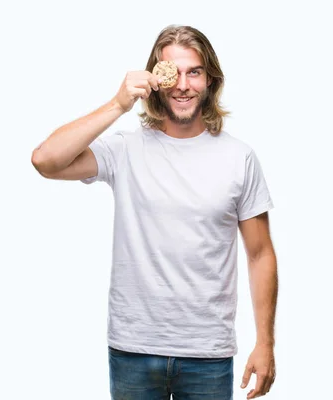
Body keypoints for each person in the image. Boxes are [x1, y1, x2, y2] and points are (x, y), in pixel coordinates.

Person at [31, 24, 278, 400]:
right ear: (154, 80)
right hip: (133, 349)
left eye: (193, 72)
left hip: (208, 354)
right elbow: (45, 161)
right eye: (172, 72)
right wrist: (117, 105)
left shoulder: (239, 158)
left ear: (210, 80)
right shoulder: (124, 150)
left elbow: (260, 254)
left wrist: (265, 343)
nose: (182, 84)